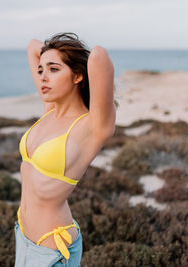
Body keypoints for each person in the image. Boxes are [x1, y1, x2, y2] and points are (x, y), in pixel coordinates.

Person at [14, 32, 116, 266]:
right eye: (40, 71)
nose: (43, 78)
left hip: (52, 251)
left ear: (78, 76)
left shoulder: (92, 126)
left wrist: (71, 54)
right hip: (23, 236)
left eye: (54, 69)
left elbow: (99, 56)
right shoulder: (49, 110)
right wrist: (54, 56)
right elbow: (32, 46)